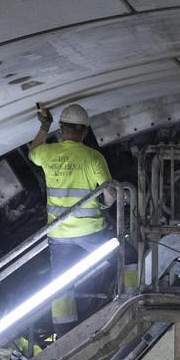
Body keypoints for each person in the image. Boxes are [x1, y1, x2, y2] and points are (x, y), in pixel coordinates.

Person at [28, 103, 116, 335]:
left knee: (61, 282)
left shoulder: (48, 153)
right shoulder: (93, 157)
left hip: (59, 234)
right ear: (85, 131)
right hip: (91, 231)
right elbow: (110, 194)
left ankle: (64, 330)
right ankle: (133, 296)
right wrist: (107, 204)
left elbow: (33, 150)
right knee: (127, 258)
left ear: (61, 129)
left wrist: (44, 126)